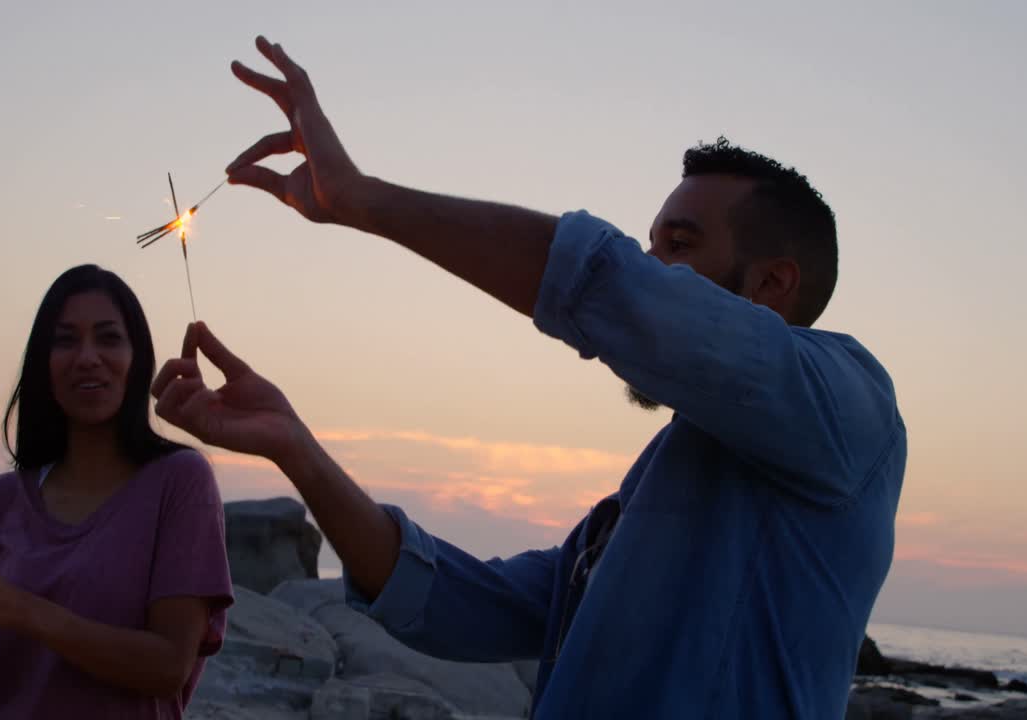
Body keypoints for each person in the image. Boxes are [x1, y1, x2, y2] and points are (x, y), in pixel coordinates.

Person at [152, 36, 906, 718]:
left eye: (679, 245)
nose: (652, 267)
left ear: (772, 286)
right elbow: (446, 600)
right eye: (649, 246)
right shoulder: (636, 509)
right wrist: (295, 447)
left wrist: (361, 199)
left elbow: (615, 293)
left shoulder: (850, 408)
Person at [0, 264, 234, 718]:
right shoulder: (2, 500)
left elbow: (169, 666)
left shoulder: (180, 480)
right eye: (66, 340)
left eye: (108, 338)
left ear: (138, 359)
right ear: (43, 362)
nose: (88, 357)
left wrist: (23, 610)